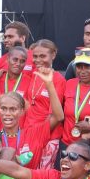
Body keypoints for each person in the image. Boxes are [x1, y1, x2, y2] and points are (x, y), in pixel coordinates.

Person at [0, 67, 63, 170]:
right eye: (3, 109)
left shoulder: (34, 134)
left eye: (13, 109)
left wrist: (49, 85)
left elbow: (58, 117)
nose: (7, 113)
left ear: (22, 111)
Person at [25, 40, 67, 170]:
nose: (38, 60)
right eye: (35, 56)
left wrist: (40, 136)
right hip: (30, 135)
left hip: (47, 137)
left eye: (43, 56)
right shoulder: (34, 75)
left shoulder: (58, 79)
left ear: (53, 55)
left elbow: (56, 115)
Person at [0, 47, 33, 132]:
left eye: (22, 61)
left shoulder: (30, 81)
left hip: (19, 131)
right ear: (7, 60)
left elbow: (30, 109)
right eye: (15, 60)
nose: (18, 63)